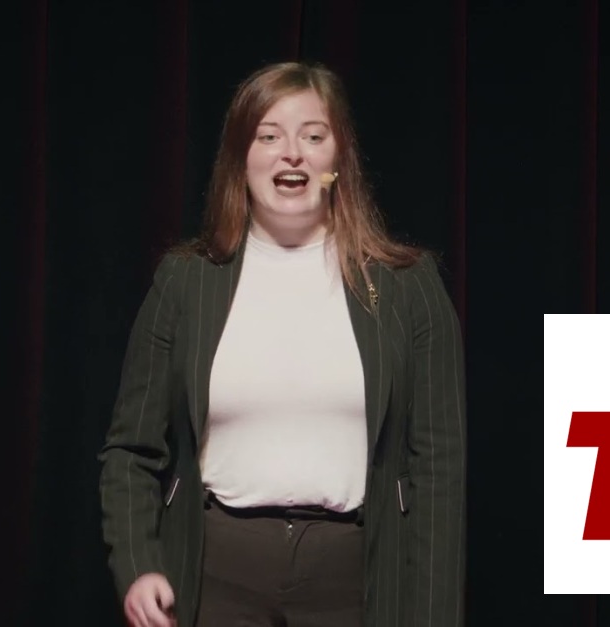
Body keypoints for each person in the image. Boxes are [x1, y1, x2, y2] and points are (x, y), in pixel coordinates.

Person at [98, 61, 465, 627]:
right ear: (240, 159)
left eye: (313, 137)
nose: (291, 154)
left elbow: (439, 472)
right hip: (215, 580)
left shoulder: (408, 288)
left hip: (355, 583)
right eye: (268, 137)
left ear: (338, 160)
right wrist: (139, 564)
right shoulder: (185, 282)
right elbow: (131, 450)